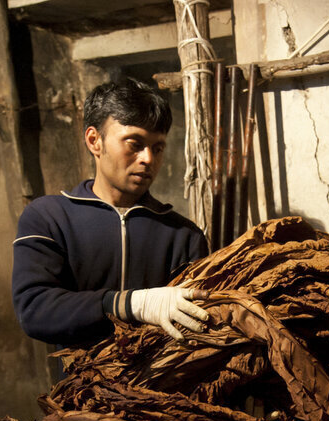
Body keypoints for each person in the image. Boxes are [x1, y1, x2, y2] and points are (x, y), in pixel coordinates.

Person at [12, 77, 210, 348]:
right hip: (80, 387)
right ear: (95, 141)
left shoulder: (183, 235)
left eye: (158, 147)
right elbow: (35, 311)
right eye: (134, 143)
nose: (148, 159)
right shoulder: (49, 218)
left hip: (161, 386)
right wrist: (129, 304)